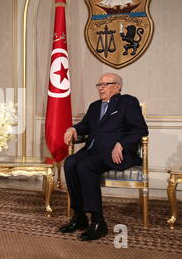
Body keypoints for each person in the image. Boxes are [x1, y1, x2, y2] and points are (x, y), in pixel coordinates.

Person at [60, 73, 148, 241]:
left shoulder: (127, 102)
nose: (101, 87)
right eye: (99, 85)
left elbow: (140, 129)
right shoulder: (94, 106)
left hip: (115, 153)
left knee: (85, 165)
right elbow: (85, 126)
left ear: (118, 87)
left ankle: (98, 221)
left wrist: (122, 143)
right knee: (70, 162)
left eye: (106, 84)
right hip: (93, 151)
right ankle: (79, 216)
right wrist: (73, 129)